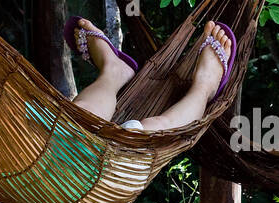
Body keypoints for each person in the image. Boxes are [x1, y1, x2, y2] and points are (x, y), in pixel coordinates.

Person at [64, 15, 235, 131]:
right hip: (109, 173)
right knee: (146, 135)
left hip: (49, 147)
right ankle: (204, 88)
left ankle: (113, 72)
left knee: (76, 121)